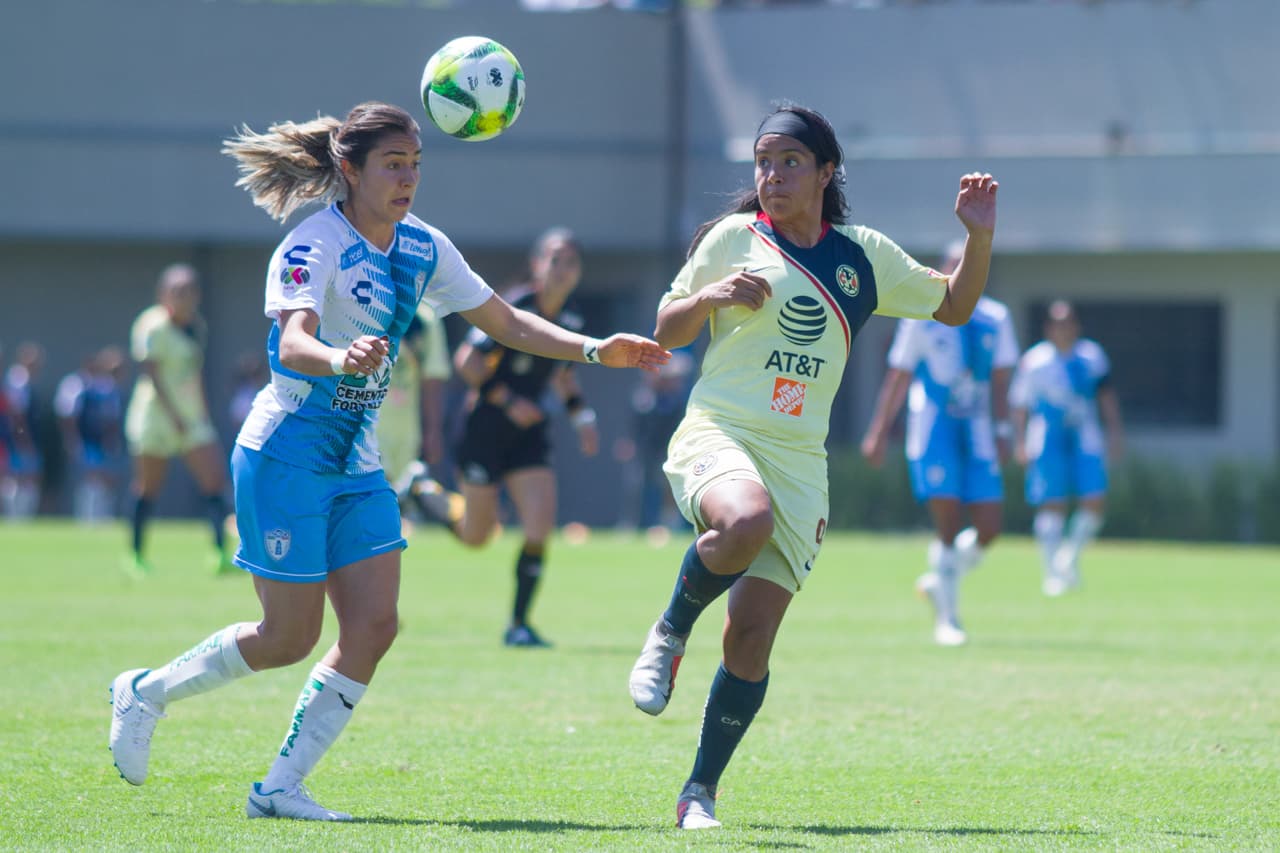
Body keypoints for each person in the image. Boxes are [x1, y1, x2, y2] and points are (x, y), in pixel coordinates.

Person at [106, 101, 668, 822]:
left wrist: (595, 349)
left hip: (358, 462)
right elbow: (296, 342)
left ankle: (279, 786)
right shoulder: (314, 243)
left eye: (416, 165)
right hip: (286, 453)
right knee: (287, 636)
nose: (408, 179)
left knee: (373, 626)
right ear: (350, 169)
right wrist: (341, 357)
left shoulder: (423, 247)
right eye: (393, 164)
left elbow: (506, 320)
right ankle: (145, 691)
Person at [624, 104, 997, 829]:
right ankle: (669, 630)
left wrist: (977, 237)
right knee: (745, 521)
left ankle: (698, 792)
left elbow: (953, 306)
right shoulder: (733, 238)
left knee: (752, 637)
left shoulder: (863, 256)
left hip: (799, 462)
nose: (772, 176)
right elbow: (664, 331)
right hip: (719, 430)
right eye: (763, 162)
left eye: (789, 161)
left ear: (827, 172)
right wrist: (710, 296)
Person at [406, 228, 604, 648]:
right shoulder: (514, 306)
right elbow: (468, 362)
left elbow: (564, 375)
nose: (562, 269)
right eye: (554, 259)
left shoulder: (571, 318)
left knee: (540, 523)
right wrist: (509, 400)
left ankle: (518, 624)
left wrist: (581, 417)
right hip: (486, 429)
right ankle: (422, 491)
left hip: (529, 436)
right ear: (536, 265)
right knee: (477, 537)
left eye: (571, 262)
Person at [860, 241, 1019, 646]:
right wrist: (879, 431)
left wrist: (1004, 431)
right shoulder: (921, 316)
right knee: (947, 525)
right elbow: (898, 376)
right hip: (934, 432)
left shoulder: (996, 318)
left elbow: (1001, 382)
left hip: (980, 432)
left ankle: (939, 580)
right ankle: (948, 619)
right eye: (955, 265)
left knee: (989, 527)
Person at [1009, 299, 1123, 596]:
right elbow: (1020, 405)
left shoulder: (1091, 357)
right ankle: (1051, 574)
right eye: (1057, 323)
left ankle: (1068, 558)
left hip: (1085, 435)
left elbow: (1106, 396)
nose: (1064, 329)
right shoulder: (1035, 361)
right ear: (1048, 328)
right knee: (1051, 503)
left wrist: (1114, 433)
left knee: (1095, 501)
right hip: (1047, 437)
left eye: (1068, 322)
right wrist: (1019, 442)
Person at [123, 263, 231, 575]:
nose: (183, 298)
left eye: (188, 291)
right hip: (156, 419)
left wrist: (200, 411)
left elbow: (194, 373)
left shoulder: (197, 326)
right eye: (176, 291)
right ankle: (135, 557)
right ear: (163, 294)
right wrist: (175, 417)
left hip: (191, 418)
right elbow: (152, 375)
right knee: (147, 488)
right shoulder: (151, 326)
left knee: (214, 481)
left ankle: (219, 554)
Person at [377, 301, 451, 530]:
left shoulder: (426, 318)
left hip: (406, 429)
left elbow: (432, 378)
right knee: (374, 497)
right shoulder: (367, 308)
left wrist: (433, 431)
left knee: (392, 500)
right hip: (370, 424)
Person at [2, 341, 46, 519]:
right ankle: (15, 516)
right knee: (19, 477)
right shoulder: (18, 380)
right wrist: (23, 439)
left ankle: (23, 516)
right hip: (19, 440)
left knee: (27, 478)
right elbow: (17, 415)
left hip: (24, 439)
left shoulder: (23, 380)